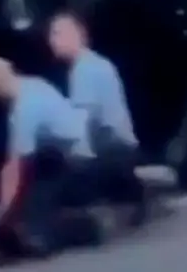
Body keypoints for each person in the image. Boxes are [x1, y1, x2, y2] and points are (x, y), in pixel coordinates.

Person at [0, 57, 95, 257]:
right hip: (82, 148)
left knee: (39, 186)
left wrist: (2, 211)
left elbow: (14, 165)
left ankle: (47, 236)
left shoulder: (24, 109)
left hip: (78, 158)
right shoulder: (35, 84)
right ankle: (46, 231)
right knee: (41, 168)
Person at [47, 12, 152, 229]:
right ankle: (126, 192)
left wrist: (73, 158)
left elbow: (83, 120)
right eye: (51, 34)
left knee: (58, 177)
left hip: (113, 150)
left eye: (58, 33)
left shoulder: (84, 69)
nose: (52, 40)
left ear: (80, 35)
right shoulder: (96, 63)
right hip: (123, 148)